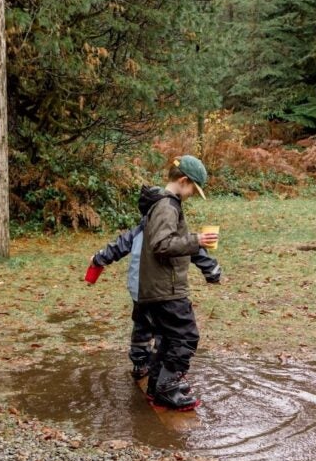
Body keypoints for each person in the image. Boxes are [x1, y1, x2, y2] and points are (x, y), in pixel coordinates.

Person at [85, 156, 218, 410]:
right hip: (165, 289)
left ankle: (158, 386)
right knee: (185, 338)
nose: (191, 195)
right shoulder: (167, 206)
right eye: (193, 189)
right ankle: (167, 387)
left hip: (158, 287)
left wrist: (203, 257)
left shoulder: (162, 206)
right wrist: (197, 240)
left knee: (167, 338)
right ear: (183, 181)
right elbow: (162, 244)